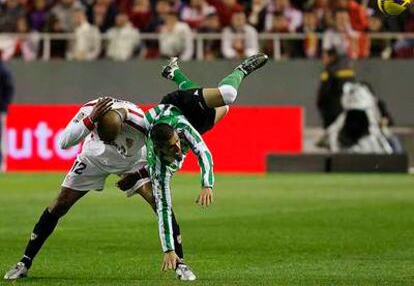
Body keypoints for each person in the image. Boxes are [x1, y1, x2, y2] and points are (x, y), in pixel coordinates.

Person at [4, 97, 195, 281]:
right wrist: (90, 119)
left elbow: (164, 160)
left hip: (133, 162)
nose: (108, 141)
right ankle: (24, 262)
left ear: (122, 126)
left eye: (111, 138)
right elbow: (63, 143)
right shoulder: (90, 110)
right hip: (94, 158)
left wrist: (138, 175)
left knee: (159, 201)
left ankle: (181, 263)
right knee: (59, 203)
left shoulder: (142, 124)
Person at [140, 53, 268, 271]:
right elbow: (163, 208)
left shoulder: (181, 128)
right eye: (173, 148)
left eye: (176, 143)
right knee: (224, 109)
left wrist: (206, 183)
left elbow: (203, 152)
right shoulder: (158, 169)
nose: (178, 148)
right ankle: (173, 72)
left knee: (227, 95)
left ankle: (241, 70)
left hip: (177, 106)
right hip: (189, 121)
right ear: (160, 150)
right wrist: (168, 249)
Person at [0, 60, 15, 171]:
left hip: (0, 109)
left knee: (1, 137)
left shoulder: (3, 70)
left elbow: (9, 88)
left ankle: (1, 164)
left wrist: (4, 106)